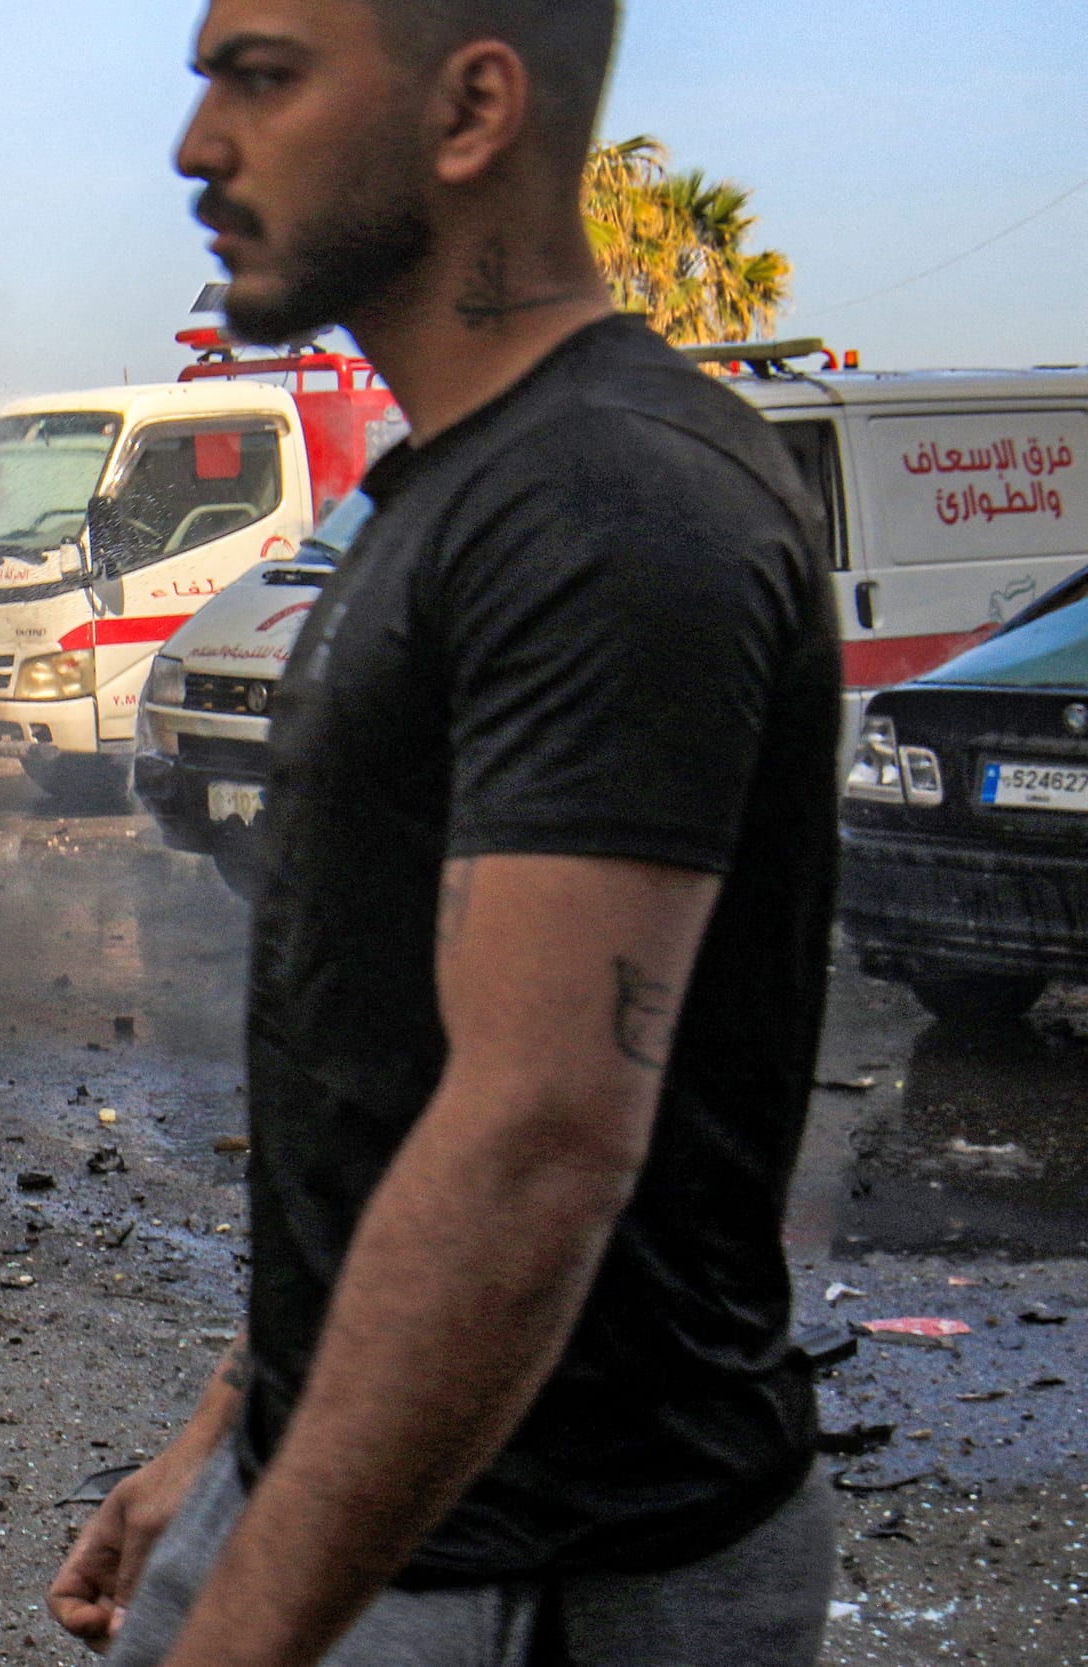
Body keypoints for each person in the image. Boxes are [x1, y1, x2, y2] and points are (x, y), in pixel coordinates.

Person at [48, 5, 841, 1666]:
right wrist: (224, 1442)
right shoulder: (458, 488)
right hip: (380, 1510)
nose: (197, 145)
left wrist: (239, 1628)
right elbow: (391, 1080)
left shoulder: (610, 503)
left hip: (530, 1572)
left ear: (475, 108)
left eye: (263, 77)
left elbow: (533, 1145)